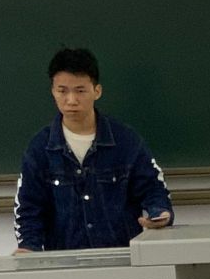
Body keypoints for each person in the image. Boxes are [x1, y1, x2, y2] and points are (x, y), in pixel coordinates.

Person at [13, 47, 174, 252]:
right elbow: (28, 209)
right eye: (62, 91)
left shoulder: (125, 141)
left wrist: (159, 212)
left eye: (80, 91)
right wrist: (28, 247)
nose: (71, 100)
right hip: (63, 262)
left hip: (122, 258)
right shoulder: (40, 148)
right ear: (53, 91)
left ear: (97, 91)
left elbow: (153, 188)